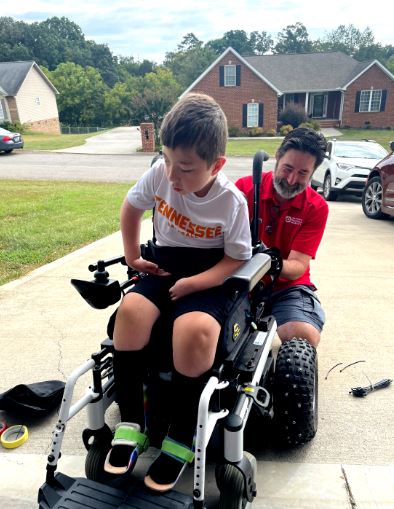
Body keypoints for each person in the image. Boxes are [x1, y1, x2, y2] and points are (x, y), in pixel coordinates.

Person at [106, 93, 252, 492]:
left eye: (185, 169)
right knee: (129, 313)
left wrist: (196, 283)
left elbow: (237, 259)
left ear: (216, 165)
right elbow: (131, 206)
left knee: (193, 331)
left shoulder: (232, 202)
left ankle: (182, 434)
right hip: (164, 265)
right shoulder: (160, 174)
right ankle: (132, 422)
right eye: (167, 160)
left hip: (209, 276)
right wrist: (133, 255)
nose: (172, 176)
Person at [235, 127, 328, 348]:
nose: (291, 179)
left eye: (303, 173)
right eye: (287, 168)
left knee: (304, 336)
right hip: (241, 281)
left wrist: (267, 261)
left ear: (313, 172)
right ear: (277, 157)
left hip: (286, 286)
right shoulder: (244, 189)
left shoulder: (316, 207)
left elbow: (297, 265)